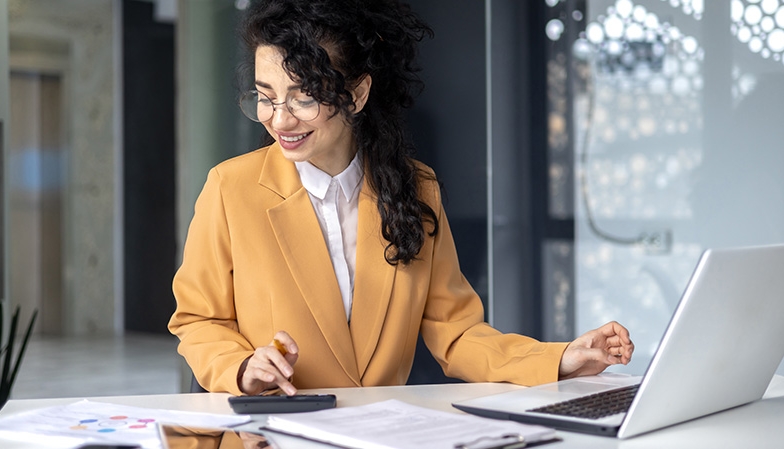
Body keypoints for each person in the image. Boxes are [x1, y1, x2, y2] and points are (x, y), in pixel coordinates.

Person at [168, 0, 634, 396]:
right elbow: (198, 320)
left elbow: (457, 334)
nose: (279, 120)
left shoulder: (415, 188)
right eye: (266, 97)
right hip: (269, 437)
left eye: (303, 99)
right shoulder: (231, 189)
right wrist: (243, 368)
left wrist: (560, 359)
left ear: (357, 92)